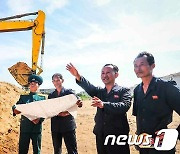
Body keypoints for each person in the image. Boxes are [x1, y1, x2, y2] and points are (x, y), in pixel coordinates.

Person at [66, 63, 132, 154]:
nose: (105, 75)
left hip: (117, 135)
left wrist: (104, 104)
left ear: (116, 75)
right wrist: (77, 76)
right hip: (101, 134)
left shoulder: (124, 91)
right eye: (102, 73)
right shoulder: (99, 92)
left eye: (108, 72)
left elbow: (124, 106)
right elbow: (88, 86)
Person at [133, 52, 180, 154]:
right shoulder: (137, 90)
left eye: (142, 64)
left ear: (152, 65)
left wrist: (174, 134)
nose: (138, 68)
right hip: (144, 145)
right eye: (135, 66)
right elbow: (139, 117)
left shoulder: (166, 87)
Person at [48, 73, 82, 154]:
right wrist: (58, 113)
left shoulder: (69, 92)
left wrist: (79, 102)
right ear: (52, 82)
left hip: (68, 125)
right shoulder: (51, 95)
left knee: (72, 149)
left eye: (58, 80)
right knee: (57, 150)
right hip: (56, 126)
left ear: (62, 81)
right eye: (54, 81)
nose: (56, 82)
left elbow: (78, 101)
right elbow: (49, 109)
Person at [12, 74, 45, 154]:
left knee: (37, 151)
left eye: (34, 83)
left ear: (38, 85)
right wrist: (14, 109)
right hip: (25, 128)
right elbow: (16, 106)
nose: (32, 85)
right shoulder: (23, 97)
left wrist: (39, 119)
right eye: (31, 83)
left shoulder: (42, 98)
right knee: (23, 150)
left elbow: (45, 112)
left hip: (36, 128)